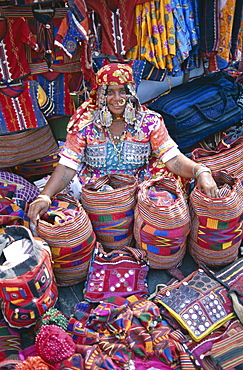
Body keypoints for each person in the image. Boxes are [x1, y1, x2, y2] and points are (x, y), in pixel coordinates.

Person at [28, 63, 218, 225]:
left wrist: (201, 171)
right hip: (95, 187)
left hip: (139, 184)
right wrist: (45, 196)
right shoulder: (84, 122)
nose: (117, 99)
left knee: (167, 198)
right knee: (58, 212)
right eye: (109, 92)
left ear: (132, 93)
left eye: (123, 91)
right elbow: (68, 166)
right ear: (99, 94)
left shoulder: (150, 121)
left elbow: (172, 159)